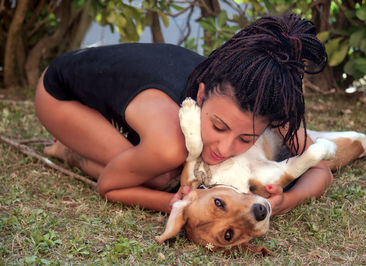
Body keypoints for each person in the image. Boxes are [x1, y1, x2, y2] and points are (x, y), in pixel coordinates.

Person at [35, 12, 333, 216]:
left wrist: (287, 201)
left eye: (246, 138)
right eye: (218, 126)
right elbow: (109, 187)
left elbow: (321, 170)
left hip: (131, 86)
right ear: (201, 95)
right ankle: (68, 149)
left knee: (164, 165)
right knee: (162, 174)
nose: (224, 149)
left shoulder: (262, 103)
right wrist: (176, 202)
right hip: (61, 94)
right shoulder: (171, 142)